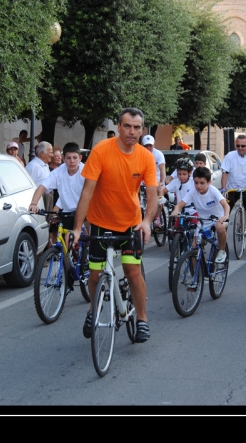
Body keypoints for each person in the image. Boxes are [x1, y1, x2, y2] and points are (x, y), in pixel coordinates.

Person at [71, 107, 156, 343]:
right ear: (118, 127)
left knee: (132, 271)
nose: (132, 131)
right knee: (96, 276)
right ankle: (92, 311)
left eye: (137, 127)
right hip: (100, 222)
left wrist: (147, 221)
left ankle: (141, 319)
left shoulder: (146, 157)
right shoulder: (101, 151)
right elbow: (86, 193)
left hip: (130, 223)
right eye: (127, 126)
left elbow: (152, 195)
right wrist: (78, 228)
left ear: (142, 130)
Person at [29, 142, 86, 249]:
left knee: (87, 239)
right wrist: (34, 203)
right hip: (67, 212)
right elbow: (42, 187)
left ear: (80, 158)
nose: (72, 161)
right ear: (63, 158)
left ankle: (88, 254)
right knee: (66, 245)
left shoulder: (86, 170)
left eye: (75, 157)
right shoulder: (58, 172)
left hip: (85, 211)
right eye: (68, 158)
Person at [172, 166, 229, 262]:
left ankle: (222, 250)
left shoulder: (213, 190)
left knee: (220, 227)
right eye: (196, 183)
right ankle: (197, 274)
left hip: (218, 218)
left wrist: (225, 216)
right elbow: (180, 205)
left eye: (202, 183)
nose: (198, 186)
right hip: (203, 220)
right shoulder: (193, 192)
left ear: (209, 182)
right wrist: (176, 210)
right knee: (194, 247)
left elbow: (225, 205)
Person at [221, 134, 246, 249]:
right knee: (224, 216)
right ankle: (223, 239)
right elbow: (225, 173)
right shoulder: (230, 156)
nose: (240, 148)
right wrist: (224, 190)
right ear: (235, 144)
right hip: (232, 189)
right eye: (238, 145)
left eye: (243, 146)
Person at [141, 134, 166, 229]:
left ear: (154, 145)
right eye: (146, 146)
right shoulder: (139, 154)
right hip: (144, 178)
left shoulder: (158, 154)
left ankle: (158, 218)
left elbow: (162, 169)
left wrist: (162, 182)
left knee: (159, 192)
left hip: (156, 178)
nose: (148, 148)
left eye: (150, 145)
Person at [25, 141, 54, 211]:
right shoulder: (33, 166)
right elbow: (28, 186)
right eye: (50, 153)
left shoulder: (45, 164)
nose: (52, 155)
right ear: (42, 153)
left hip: (48, 198)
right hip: (40, 199)